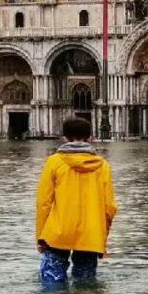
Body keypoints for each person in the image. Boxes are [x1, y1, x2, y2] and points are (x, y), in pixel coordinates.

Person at [35, 117, 117, 285]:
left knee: (51, 289)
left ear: (64, 138)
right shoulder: (103, 166)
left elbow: (44, 203)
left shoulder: (53, 162)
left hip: (57, 235)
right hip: (90, 235)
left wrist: (41, 238)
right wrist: (101, 238)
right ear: (90, 138)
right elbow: (109, 208)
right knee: (86, 289)